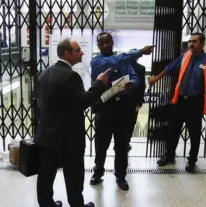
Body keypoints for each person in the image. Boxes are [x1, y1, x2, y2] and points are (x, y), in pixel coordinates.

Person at [35, 38, 110, 207]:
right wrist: (99, 83)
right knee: (74, 175)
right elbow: (83, 102)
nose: (82, 52)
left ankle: (46, 204)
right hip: (68, 138)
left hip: (47, 135)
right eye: (78, 50)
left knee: (46, 174)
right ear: (67, 53)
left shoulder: (45, 73)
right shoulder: (71, 76)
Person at [148, 32, 206, 172]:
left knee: (194, 133)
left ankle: (191, 160)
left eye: (194, 42)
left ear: (202, 44)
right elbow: (169, 68)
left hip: (196, 103)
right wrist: (156, 78)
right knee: (173, 130)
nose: (191, 44)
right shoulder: (185, 56)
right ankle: (169, 155)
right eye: (190, 42)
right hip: (180, 100)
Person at [89, 32, 154, 191]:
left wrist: (132, 82)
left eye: (107, 42)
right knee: (101, 144)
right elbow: (115, 62)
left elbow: (135, 77)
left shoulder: (124, 61)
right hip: (105, 108)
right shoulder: (97, 61)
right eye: (101, 43)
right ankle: (98, 172)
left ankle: (121, 176)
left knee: (122, 145)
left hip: (123, 109)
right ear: (98, 46)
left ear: (112, 42)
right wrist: (139, 52)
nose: (105, 46)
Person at [129, 52, 146, 150]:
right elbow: (142, 86)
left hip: (124, 98)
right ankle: (127, 141)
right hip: (135, 99)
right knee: (132, 121)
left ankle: (121, 142)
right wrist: (140, 101)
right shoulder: (141, 68)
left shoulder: (122, 66)